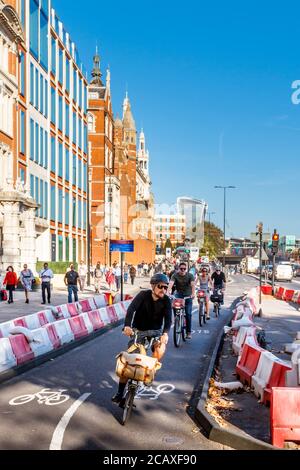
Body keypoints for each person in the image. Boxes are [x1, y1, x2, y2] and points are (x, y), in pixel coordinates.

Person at [112, 273, 172, 404]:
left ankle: (150, 371)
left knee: (161, 348)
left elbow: (168, 320)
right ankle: (119, 393)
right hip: (138, 331)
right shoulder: (143, 296)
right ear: (153, 286)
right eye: (160, 286)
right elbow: (131, 310)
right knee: (127, 362)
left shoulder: (166, 300)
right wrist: (127, 326)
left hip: (156, 332)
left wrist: (165, 334)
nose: (163, 290)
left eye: (166, 287)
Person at [167, 262, 195, 339]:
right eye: (181, 268)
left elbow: (193, 285)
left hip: (188, 296)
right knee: (174, 304)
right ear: (178, 268)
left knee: (188, 314)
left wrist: (193, 294)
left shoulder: (190, 275)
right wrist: (168, 292)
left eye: (184, 269)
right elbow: (170, 284)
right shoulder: (175, 275)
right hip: (179, 294)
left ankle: (188, 332)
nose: (182, 270)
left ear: (186, 269)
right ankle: (177, 318)